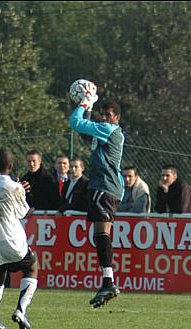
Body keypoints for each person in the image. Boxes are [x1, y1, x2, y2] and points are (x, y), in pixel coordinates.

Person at [68, 83, 125, 309]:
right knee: (101, 235)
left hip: (104, 186)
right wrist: (90, 108)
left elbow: (74, 122)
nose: (104, 118)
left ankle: (108, 282)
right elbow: (83, 131)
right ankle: (107, 281)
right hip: (107, 187)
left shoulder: (110, 130)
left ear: (117, 118)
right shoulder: (102, 134)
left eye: (108, 115)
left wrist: (84, 102)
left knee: (101, 234)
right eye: (102, 114)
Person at [0, 148, 39, 329]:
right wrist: (22, 192)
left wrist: (16, 188)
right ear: (10, 166)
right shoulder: (14, 187)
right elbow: (24, 213)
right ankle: (21, 310)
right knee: (31, 266)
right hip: (10, 238)